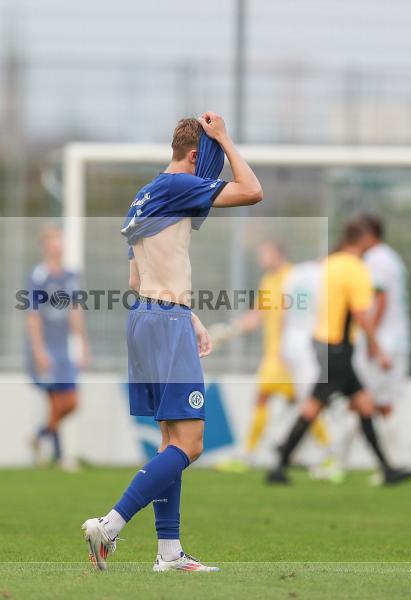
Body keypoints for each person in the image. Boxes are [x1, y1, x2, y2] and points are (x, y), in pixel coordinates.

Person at [81, 112, 263, 572]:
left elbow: (136, 275)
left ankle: (169, 553)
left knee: (170, 441)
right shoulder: (181, 185)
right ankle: (110, 524)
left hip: (145, 317)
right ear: (197, 155)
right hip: (165, 322)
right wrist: (225, 138)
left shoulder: (145, 194)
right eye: (213, 158)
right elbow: (253, 190)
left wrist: (191, 316)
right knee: (193, 443)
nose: (216, 169)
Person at [266, 217, 411, 486]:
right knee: (314, 407)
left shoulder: (328, 264)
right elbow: (361, 313)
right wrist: (377, 348)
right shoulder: (356, 268)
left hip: (323, 342)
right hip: (337, 347)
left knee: (363, 405)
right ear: (363, 240)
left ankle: (387, 470)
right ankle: (279, 463)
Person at [211, 242, 332, 473]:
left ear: (278, 254)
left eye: (264, 254)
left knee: (301, 403)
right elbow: (259, 314)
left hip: (288, 355)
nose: (260, 259)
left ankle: (250, 455)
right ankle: (325, 453)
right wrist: (231, 330)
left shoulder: (293, 277)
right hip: (277, 354)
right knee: (300, 403)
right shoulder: (268, 280)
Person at [348, 213, 411, 482]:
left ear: (368, 235)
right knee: (371, 402)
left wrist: (373, 341)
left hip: (383, 341)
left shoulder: (376, 260)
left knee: (368, 401)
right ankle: (387, 465)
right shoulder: (392, 257)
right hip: (395, 339)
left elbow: (380, 297)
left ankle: (391, 464)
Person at [26, 225, 90, 470]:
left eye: (61, 241)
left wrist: (83, 344)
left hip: (64, 346)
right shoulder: (39, 276)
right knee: (55, 401)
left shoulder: (70, 276)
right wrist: (38, 349)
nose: (60, 245)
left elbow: (75, 312)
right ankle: (61, 456)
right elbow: (32, 316)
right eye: (56, 241)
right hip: (47, 346)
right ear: (47, 246)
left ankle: (40, 436)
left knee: (71, 402)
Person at [280, 258, 344, 483]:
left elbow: (283, 310)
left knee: (307, 403)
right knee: (314, 403)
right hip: (311, 344)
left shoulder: (292, 274)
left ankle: (309, 454)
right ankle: (329, 455)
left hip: (291, 343)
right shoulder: (325, 276)